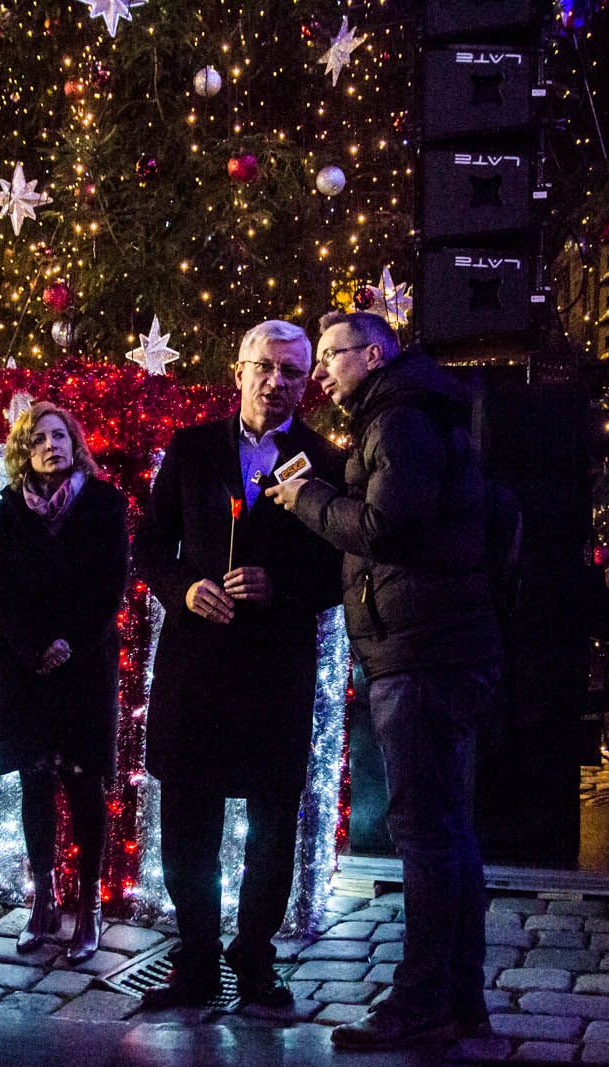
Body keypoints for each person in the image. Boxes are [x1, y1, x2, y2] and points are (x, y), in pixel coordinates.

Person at [267, 311, 500, 1050]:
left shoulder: (398, 420)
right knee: (448, 829)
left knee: (426, 834)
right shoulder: (412, 410)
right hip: (437, 646)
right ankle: (458, 997)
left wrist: (305, 499)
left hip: (420, 652)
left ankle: (422, 1000)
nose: (319, 371)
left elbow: (383, 527)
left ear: (373, 355)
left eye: (331, 355)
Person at [133, 319, 344, 1008]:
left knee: (272, 824)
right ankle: (195, 957)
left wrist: (281, 586)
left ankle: (255, 958)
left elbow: (342, 568)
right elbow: (149, 545)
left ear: (307, 382)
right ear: (240, 370)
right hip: (194, 670)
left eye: (292, 371)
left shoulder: (325, 460)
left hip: (275, 673)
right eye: (265, 367)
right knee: (187, 821)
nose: (276, 382)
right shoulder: (192, 448)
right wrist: (182, 588)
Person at [0, 401, 128, 964]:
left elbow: (110, 585)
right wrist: (32, 648)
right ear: (23, 452)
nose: (51, 445)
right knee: (35, 780)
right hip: (25, 669)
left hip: (85, 664)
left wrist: (70, 642)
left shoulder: (104, 502)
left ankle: (88, 906)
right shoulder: (5, 511)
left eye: (60, 435)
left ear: (75, 443)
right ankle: (43, 900)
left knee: (84, 782)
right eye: (39, 438)